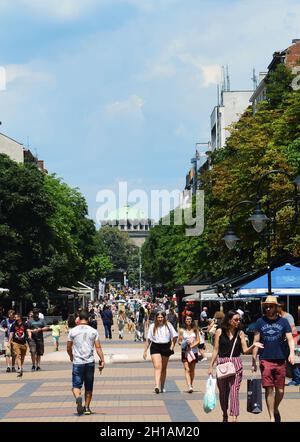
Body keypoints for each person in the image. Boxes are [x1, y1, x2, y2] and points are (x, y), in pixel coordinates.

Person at [208, 310, 263, 423]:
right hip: (222, 364)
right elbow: (215, 350)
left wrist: (253, 345)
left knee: (234, 392)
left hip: (236, 363)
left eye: (239, 320)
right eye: (235, 319)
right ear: (229, 320)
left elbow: (245, 350)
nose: (238, 322)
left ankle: (234, 417)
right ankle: (224, 414)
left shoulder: (240, 333)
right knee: (223, 393)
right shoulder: (219, 331)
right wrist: (210, 366)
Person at [252, 296, 295, 422]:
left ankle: (275, 408)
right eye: (266, 306)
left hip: (280, 359)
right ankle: (271, 417)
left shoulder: (283, 322)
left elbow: (291, 339)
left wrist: (291, 353)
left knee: (280, 390)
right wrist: (254, 360)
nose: (268, 308)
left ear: (276, 307)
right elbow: (256, 342)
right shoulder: (260, 322)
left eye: (271, 306)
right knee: (269, 389)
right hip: (265, 359)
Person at [67, 309, 105, 415]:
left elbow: (68, 347)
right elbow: (98, 347)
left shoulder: (72, 331)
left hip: (77, 362)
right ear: (88, 319)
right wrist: (102, 360)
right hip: (89, 362)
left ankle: (78, 397)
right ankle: (87, 408)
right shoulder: (93, 331)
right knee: (89, 386)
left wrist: (71, 356)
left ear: (79, 319)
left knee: (76, 385)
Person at [143, 311, 178, 393]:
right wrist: (145, 351)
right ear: (156, 318)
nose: (160, 319)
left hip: (166, 346)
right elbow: (148, 340)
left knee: (163, 368)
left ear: (164, 318)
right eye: (158, 317)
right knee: (157, 366)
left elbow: (175, 336)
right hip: (155, 346)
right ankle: (157, 386)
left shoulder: (168, 325)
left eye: (161, 317)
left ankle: (162, 386)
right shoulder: (152, 326)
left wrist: (172, 346)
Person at [178, 316, 200, 393]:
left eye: (190, 319)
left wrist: (192, 345)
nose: (189, 320)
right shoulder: (181, 330)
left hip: (194, 352)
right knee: (187, 369)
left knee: (192, 369)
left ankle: (191, 383)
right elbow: (179, 341)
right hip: (185, 352)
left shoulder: (195, 330)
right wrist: (185, 344)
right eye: (187, 319)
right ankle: (189, 386)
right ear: (185, 320)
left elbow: (198, 340)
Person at [9, 312, 29, 377]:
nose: (15, 318)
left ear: (19, 317)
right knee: (18, 355)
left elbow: (27, 331)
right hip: (15, 342)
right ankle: (20, 368)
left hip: (23, 343)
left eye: (16, 317)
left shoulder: (25, 324)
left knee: (23, 356)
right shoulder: (13, 325)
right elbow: (11, 333)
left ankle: (20, 366)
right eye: (14, 317)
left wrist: (29, 337)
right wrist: (9, 342)